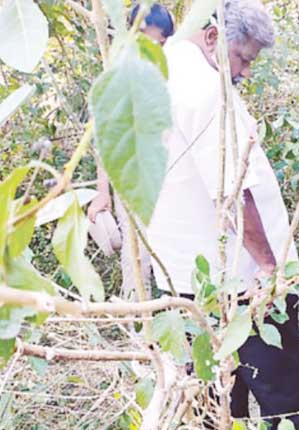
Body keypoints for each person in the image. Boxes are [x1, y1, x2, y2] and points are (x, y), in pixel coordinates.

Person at [146, 0, 299, 430]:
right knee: (277, 375)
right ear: (212, 37)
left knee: (209, 376)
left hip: (184, 275)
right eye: (244, 58)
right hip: (237, 276)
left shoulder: (161, 70)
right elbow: (232, 194)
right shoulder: (206, 92)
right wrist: (269, 267)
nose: (246, 72)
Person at [87, 3, 175, 297]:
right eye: (151, 39)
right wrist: (103, 192)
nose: (156, 48)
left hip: (172, 172)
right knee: (136, 255)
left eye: (162, 42)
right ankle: (138, 323)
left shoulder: (172, 67)